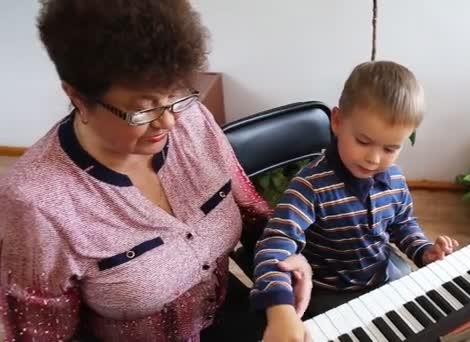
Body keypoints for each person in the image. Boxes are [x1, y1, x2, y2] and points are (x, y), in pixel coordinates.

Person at [0, 1, 312, 341]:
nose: (169, 121)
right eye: (143, 109)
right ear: (77, 96)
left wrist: (286, 262)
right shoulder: (36, 205)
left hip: (228, 318)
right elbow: (39, 334)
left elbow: (251, 213)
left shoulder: (190, 121)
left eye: (175, 95)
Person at [251, 61, 460, 341]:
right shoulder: (309, 187)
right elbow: (274, 246)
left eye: (390, 148)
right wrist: (280, 311)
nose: (374, 159)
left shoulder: (394, 179)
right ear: (337, 122)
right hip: (326, 293)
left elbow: (403, 224)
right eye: (363, 141)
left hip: (380, 277)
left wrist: (424, 251)